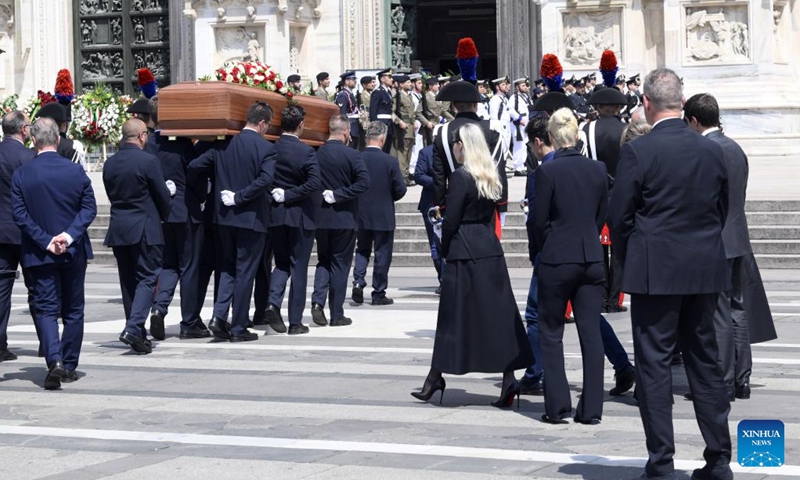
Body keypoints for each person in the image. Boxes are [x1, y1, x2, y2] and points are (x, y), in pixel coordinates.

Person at [609, 69, 733, 480]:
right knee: (705, 362)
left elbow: (619, 217)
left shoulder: (639, 152)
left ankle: (661, 463)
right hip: (703, 270)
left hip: (655, 272)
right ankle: (718, 460)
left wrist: (633, 259)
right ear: (681, 102)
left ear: (645, 103)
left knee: (654, 366)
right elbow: (722, 208)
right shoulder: (711, 150)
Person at [411, 123, 533, 407]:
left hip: (464, 249)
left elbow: (451, 219)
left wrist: (443, 248)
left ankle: (435, 377)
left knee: (452, 317)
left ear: (462, 146)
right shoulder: (489, 175)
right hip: (488, 246)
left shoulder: (461, 176)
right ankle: (508, 378)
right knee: (499, 316)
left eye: (457, 144)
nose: (455, 148)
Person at [683, 93, 776, 402]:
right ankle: (741, 378)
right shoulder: (735, 148)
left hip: (716, 240)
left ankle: (721, 381)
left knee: (718, 312)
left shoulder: (705, 150)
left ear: (694, 120)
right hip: (737, 236)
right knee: (738, 309)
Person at [533, 108, 608, 424]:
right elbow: (601, 215)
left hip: (557, 257)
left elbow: (538, 221)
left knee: (551, 331)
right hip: (590, 256)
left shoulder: (547, 172)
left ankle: (557, 405)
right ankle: (591, 409)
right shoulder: (598, 169)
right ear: (577, 135)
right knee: (591, 333)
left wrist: (543, 249)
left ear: (551, 137)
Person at [11, 117, 96, 389]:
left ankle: (55, 360)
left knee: (46, 309)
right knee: (74, 309)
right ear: (57, 140)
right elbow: (89, 208)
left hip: (39, 253)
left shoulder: (22, 174)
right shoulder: (75, 171)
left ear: (33, 140)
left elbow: (19, 215)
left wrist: (46, 241)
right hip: (73, 251)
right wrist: (68, 236)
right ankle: (69, 365)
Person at [188, 102, 277, 342]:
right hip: (251, 219)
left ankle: (219, 316)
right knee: (245, 272)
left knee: (227, 267)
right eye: (268, 125)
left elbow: (194, 165)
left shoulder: (223, 144)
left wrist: (203, 190)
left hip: (224, 218)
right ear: (262, 123)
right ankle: (238, 327)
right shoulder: (266, 148)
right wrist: (239, 197)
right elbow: (265, 180)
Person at [104, 119, 172, 354]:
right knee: (148, 278)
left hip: (119, 228)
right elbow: (163, 196)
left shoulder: (110, 163)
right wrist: (163, 215)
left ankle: (138, 333)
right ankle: (133, 328)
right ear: (142, 136)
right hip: (144, 227)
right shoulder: (148, 161)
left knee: (128, 282)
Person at [145, 96, 208, 340]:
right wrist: (201, 197)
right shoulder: (182, 144)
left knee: (168, 265)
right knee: (189, 268)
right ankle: (189, 321)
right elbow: (195, 174)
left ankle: (159, 309)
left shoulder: (148, 144)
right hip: (185, 212)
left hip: (160, 214)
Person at [265, 105, 320, 335]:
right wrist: (290, 194)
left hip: (276, 214)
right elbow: (314, 183)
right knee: (298, 268)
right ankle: (295, 322)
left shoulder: (271, 148)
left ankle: (272, 303)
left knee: (281, 264)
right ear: (301, 125)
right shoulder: (306, 152)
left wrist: (279, 194)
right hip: (299, 216)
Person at [311, 115, 370, 326]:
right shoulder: (352, 155)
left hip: (321, 218)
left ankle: (317, 303)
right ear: (346, 132)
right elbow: (364, 183)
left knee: (323, 261)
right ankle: (336, 314)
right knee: (340, 265)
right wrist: (339, 194)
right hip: (344, 218)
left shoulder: (315, 154)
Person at [582, 87, 628, 313]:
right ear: (618, 108)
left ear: (598, 108)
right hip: (621, 194)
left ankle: (600, 297)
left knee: (598, 248)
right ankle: (614, 300)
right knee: (619, 250)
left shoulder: (586, 130)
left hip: (595, 193)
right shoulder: (627, 129)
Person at [352, 122, 406, 306]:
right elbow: (401, 189)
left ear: (367, 137)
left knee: (362, 249)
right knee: (382, 254)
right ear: (382, 139)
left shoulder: (357, 158)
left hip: (361, 213)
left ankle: (358, 281)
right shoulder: (390, 161)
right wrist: (389, 197)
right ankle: (378, 292)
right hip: (383, 214)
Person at [0, 111, 35, 363]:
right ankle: (47, 343)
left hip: (2, 232)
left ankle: (0, 345)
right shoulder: (28, 157)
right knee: (38, 289)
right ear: (23, 130)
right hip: (26, 231)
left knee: (1, 291)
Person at [413, 142, 443, 293]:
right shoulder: (426, 152)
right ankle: (443, 279)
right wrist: (439, 182)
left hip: (451, 202)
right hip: (431, 204)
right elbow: (418, 175)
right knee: (435, 243)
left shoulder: (456, 150)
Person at [392, 74, 422, 184]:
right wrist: (399, 122)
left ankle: (406, 174)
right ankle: (402, 176)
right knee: (402, 152)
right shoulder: (398, 96)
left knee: (409, 152)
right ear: (401, 84)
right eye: (408, 82)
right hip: (403, 128)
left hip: (410, 128)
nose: (410, 84)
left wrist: (414, 122)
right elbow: (392, 112)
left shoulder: (408, 96)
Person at [509, 77, 532, 176]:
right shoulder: (514, 98)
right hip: (518, 124)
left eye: (525, 85)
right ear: (517, 87)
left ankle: (522, 166)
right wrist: (519, 118)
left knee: (523, 145)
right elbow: (510, 110)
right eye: (523, 85)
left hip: (525, 123)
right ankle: (518, 168)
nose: (525, 87)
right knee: (519, 146)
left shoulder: (524, 97)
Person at [369, 69, 395, 154]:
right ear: (382, 79)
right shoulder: (377, 92)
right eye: (389, 77)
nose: (391, 79)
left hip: (389, 123)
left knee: (387, 148)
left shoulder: (388, 92)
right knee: (381, 148)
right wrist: (375, 126)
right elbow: (373, 111)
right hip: (381, 123)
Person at [335, 71, 362, 148]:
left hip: (354, 127)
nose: (355, 82)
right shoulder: (343, 95)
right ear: (346, 81)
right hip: (350, 128)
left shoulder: (349, 94)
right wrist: (346, 131)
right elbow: (342, 114)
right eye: (353, 79)